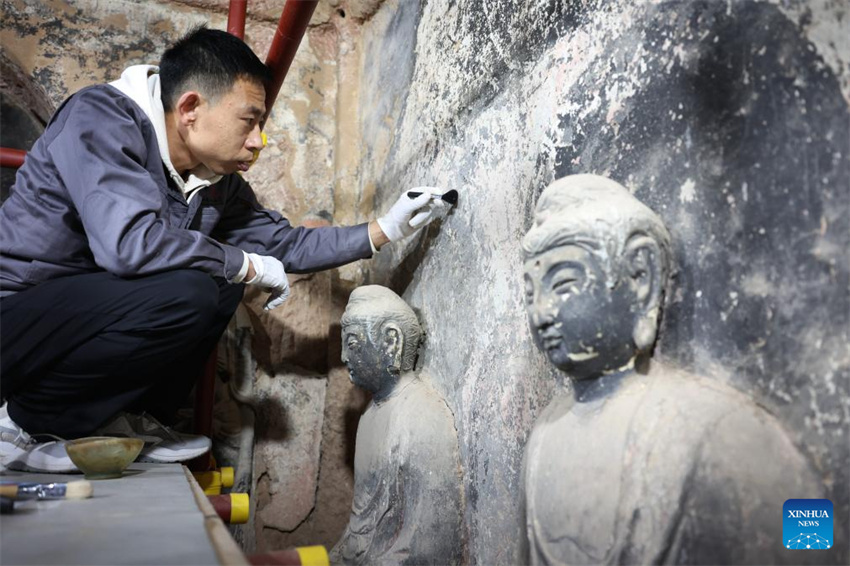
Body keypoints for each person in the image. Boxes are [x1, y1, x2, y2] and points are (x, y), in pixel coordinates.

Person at [0, 27, 446, 473]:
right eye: (248, 121)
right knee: (194, 289)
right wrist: (243, 264)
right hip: (18, 320)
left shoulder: (215, 181)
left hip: (83, 321)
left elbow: (283, 243)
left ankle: (125, 420)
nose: (258, 140)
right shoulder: (101, 117)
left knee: (216, 285)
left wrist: (384, 228)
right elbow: (129, 245)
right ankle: (24, 426)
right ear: (190, 108)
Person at [521, 175, 823, 565]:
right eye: (530, 293)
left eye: (563, 284)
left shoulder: (714, 427)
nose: (541, 314)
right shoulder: (544, 438)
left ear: (641, 278)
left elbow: (817, 542)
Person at [331, 286, 464, 565]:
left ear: (391, 342)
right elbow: (359, 528)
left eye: (352, 344)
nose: (343, 357)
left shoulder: (422, 416)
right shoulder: (368, 417)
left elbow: (430, 545)